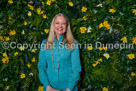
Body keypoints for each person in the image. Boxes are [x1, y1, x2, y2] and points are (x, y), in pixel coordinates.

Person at [38, 13, 81, 91]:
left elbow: (76, 69)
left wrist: (69, 89)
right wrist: (47, 87)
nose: (60, 26)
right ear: (53, 25)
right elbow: (41, 67)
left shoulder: (73, 44)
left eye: (63, 23)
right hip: (49, 88)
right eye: (57, 23)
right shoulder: (45, 43)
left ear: (67, 26)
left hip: (69, 89)